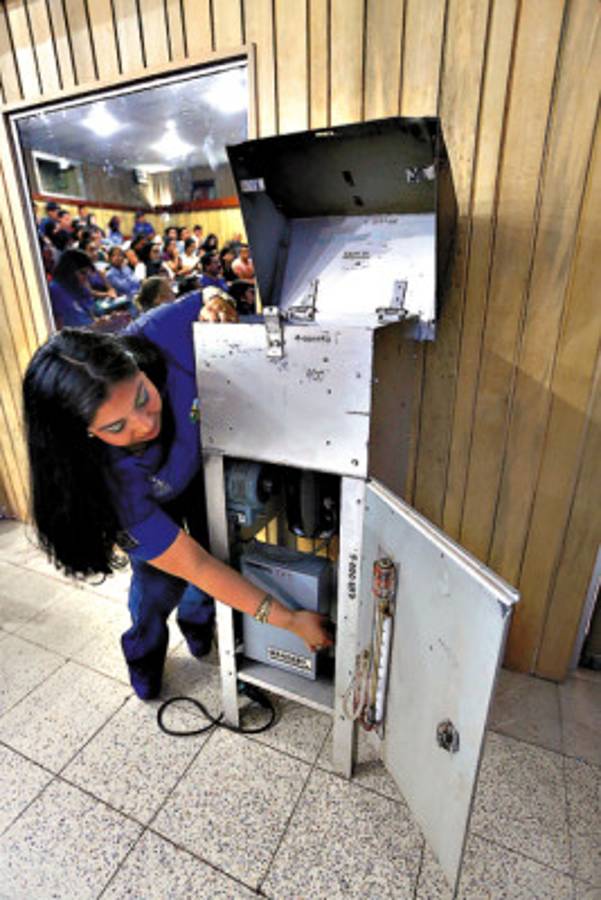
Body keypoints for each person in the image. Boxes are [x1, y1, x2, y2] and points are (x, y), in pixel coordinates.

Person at [22, 297, 333, 699]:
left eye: (142, 396)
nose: (144, 424)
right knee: (159, 584)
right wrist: (289, 620)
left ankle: (198, 624)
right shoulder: (107, 482)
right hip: (150, 496)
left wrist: (219, 303)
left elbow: (208, 296)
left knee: (215, 551)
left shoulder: (162, 334)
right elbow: (194, 566)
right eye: (116, 426)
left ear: (135, 364)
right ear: (86, 433)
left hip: (198, 470)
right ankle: (144, 653)